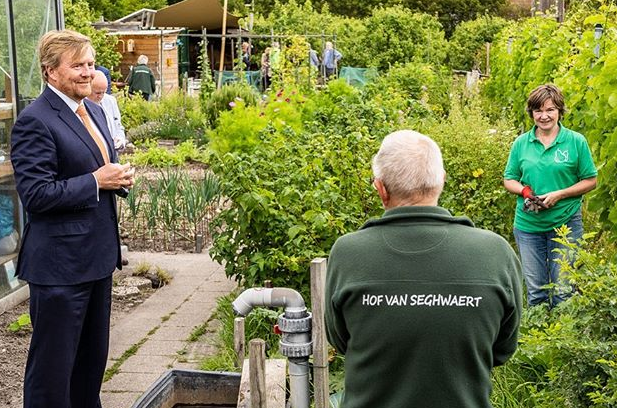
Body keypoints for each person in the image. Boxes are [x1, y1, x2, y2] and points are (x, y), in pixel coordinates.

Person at [325, 130, 522, 408]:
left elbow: (341, 340)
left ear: (380, 188)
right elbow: (502, 349)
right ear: (441, 181)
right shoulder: (495, 253)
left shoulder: (348, 253)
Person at [10, 29, 134, 408]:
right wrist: (96, 181)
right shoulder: (35, 121)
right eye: (77, 65)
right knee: (52, 375)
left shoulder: (93, 110)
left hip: (96, 260)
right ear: (50, 72)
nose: (87, 73)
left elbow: (95, 170)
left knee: (88, 369)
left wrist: (116, 180)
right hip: (60, 268)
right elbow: (36, 195)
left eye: (91, 64)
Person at [504, 84, 597, 307]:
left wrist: (560, 194)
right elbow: (509, 178)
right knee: (536, 292)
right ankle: (539, 340)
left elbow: (590, 180)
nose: (544, 116)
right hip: (529, 225)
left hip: (565, 224)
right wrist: (525, 192)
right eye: (538, 111)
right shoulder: (521, 143)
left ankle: (563, 338)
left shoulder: (576, 142)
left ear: (559, 111)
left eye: (550, 110)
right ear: (532, 113)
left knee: (563, 290)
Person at [88, 70, 127, 150]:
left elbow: (118, 126)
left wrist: (120, 140)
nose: (101, 96)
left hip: (113, 152)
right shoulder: (82, 105)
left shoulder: (110, 100)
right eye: (98, 93)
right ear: (88, 88)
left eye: (104, 92)